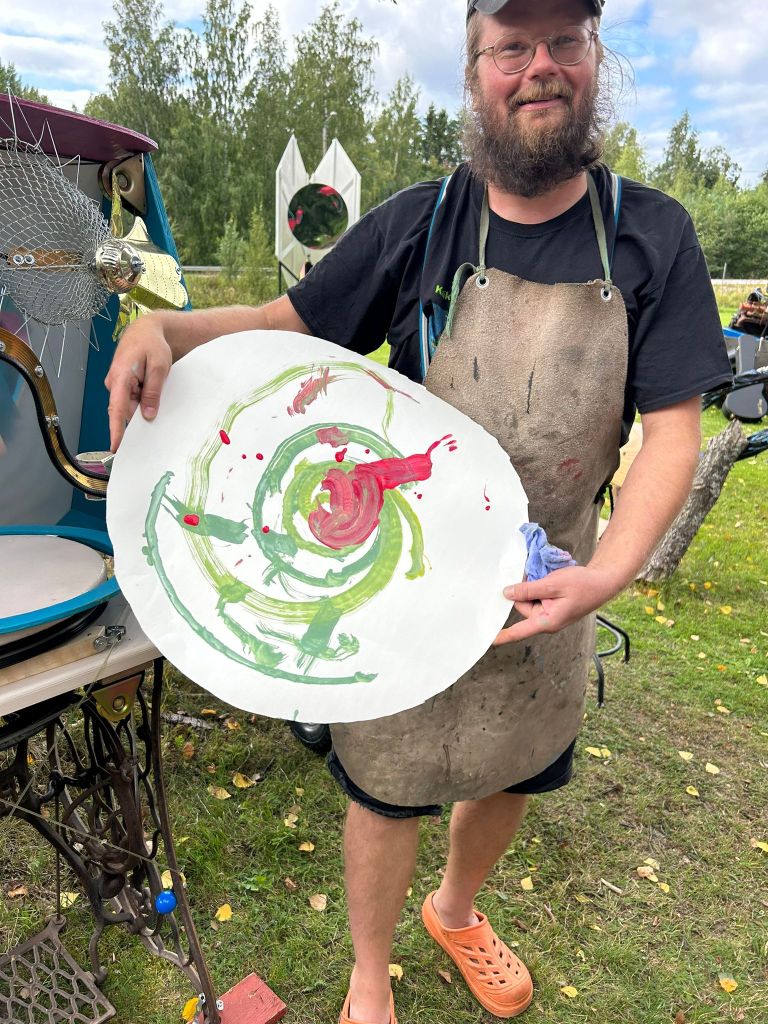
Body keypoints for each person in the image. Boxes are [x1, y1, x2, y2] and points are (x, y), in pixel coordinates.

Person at [106, 1, 733, 1020]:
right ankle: (369, 973)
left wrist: (604, 576)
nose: (540, 66)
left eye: (564, 41)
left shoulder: (652, 236)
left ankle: (455, 908)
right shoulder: (421, 222)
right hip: (394, 583)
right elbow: (281, 324)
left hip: (549, 581)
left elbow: (671, 432)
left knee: (516, 768)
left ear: (596, 56)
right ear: (476, 68)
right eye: (512, 46)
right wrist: (170, 331)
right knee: (389, 786)